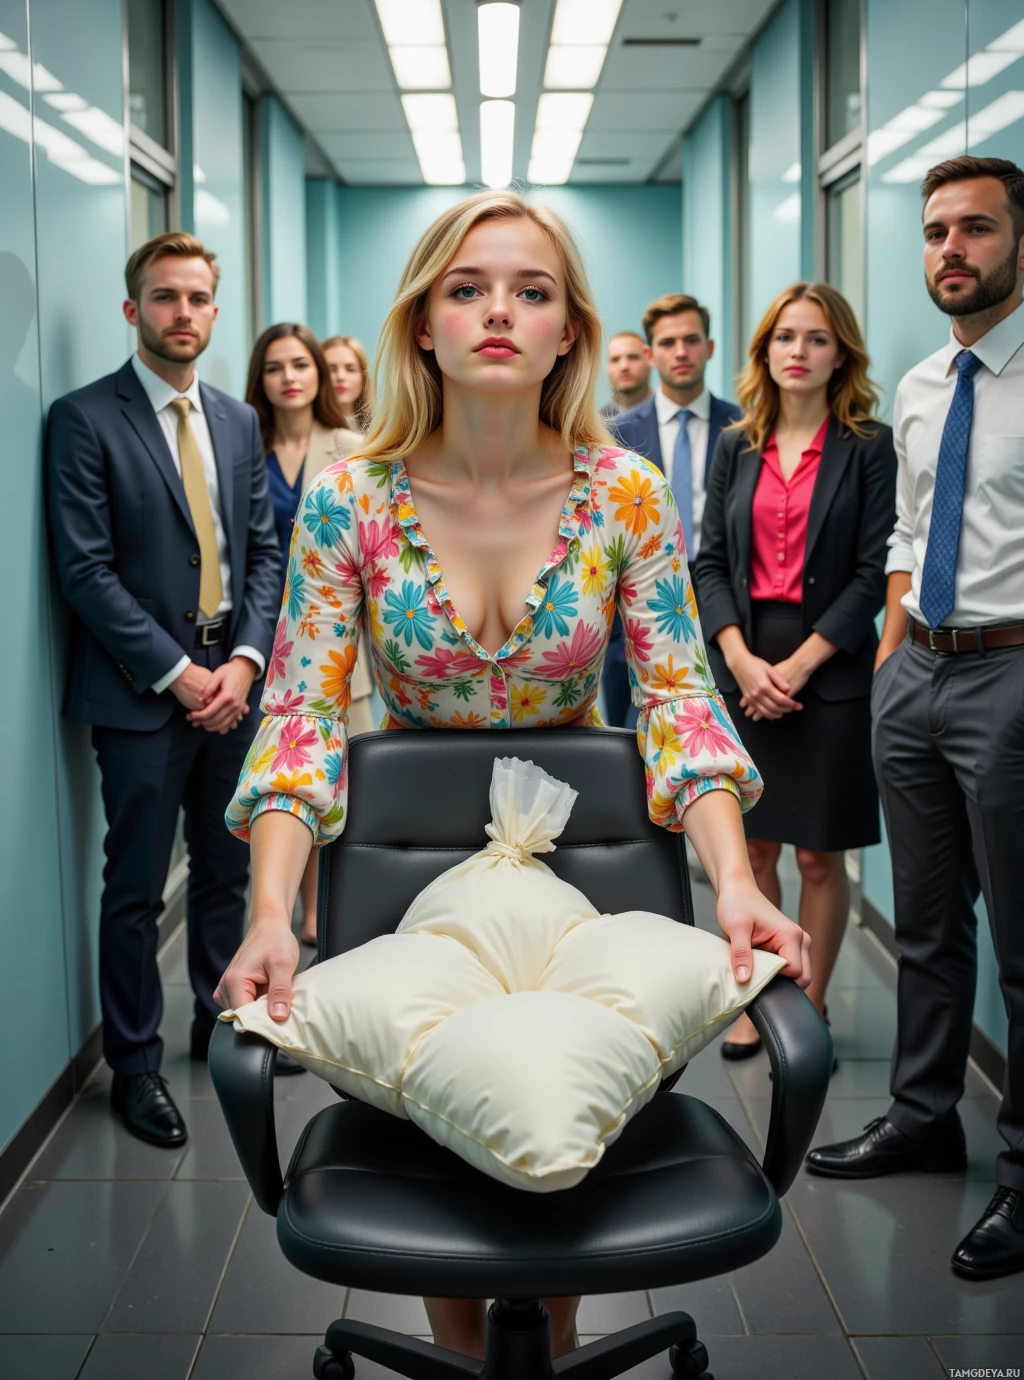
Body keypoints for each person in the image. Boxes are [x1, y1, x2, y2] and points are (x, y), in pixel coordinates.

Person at [215, 189, 811, 1359]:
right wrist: (270, 911)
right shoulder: (353, 496)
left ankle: (533, 1341)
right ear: (422, 324)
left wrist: (736, 881)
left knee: (558, 1119)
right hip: (401, 871)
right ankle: (478, 1355)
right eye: (466, 287)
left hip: (586, 865)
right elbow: (297, 717)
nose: (499, 309)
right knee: (447, 1128)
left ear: (568, 334)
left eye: (531, 291)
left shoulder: (624, 492)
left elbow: (682, 701)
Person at [806, 156, 1024, 1283]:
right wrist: (893, 655)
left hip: (1013, 675)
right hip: (920, 672)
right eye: (936, 230)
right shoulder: (925, 384)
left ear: (1016, 244)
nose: (950, 249)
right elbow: (905, 530)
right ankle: (922, 1116)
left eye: (975, 229)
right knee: (929, 928)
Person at [45, 231, 280, 1149]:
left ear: (217, 312)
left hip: (234, 683)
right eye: (164, 297)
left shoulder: (236, 419)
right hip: (143, 695)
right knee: (137, 886)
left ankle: (222, 1020)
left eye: (197, 298)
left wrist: (245, 664)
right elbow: (85, 571)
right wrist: (183, 676)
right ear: (132, 308)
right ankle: (134, 1066)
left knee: (227, 869)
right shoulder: (83, 417)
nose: (182, 313)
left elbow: (264, 551)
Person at [694, 283, 896, 1064]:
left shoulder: (867, 445)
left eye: (815, 339)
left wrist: (803, 664)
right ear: (765, 352)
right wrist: (742, 660)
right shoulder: (735, 444)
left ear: (839, 352)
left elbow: (875, 569)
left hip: (831, 665)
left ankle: (809, 1011)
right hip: (746, 657)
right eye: (785, 338)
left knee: (818, 854)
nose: (798, 352)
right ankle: (759, 1000)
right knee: (756, 852)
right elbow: (710, 561)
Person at [244, 323, 375, 947]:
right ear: (260, 380)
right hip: (258, 644)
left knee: (337, 783)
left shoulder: (353, 446)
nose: (289, 377)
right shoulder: (247, 447)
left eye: (300, 364)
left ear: (319, 375)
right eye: (275, 367)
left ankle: (323, 914)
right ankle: (277, 914)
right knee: (278, 784)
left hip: (336, 652)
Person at [602, 293, 740, 727]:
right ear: (650, 354)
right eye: (667, 343)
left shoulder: (743, 427)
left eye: (692, 340)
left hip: (720, 600)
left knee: (710, 726)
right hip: (630, 604)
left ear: (710, 348)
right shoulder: (616, 434)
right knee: (628, 735)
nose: (681, 352)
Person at [323, 333, 373, 433]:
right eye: (331, 369)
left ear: (363, 377)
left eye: (350, 369)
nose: (340, 377)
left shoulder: (380, 432)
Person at [598, 328, 650, 420]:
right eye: (615, 359)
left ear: (650, 360)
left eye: (633, 357)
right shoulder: (595, 426)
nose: (624, 366)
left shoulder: (674, 413)